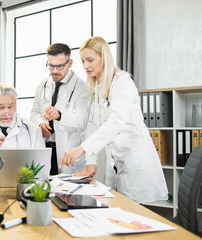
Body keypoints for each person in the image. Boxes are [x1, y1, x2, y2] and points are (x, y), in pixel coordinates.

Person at [59, 36, 168, 204]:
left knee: (133, 218)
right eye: (82, 61)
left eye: (90, 60)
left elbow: (115, 123)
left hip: (134, 162)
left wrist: (81, 149)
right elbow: (93, 126)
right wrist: (91, 162)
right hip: (116, 164)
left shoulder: (122, 82)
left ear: (104, 57)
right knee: (116, 213)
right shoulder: (97, 86)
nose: (86, 66)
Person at [30, 43, 90, 175]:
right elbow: (34, 113)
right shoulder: (43, 86)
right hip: (45, 148)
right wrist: (40, 123)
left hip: (67, 151)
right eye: (51, 66)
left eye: (60, 66)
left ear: (70, 63)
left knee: (67, 193)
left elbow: (82, 120)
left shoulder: (82, 88)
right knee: (44, 190)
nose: (55, 71)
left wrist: (59, 116)